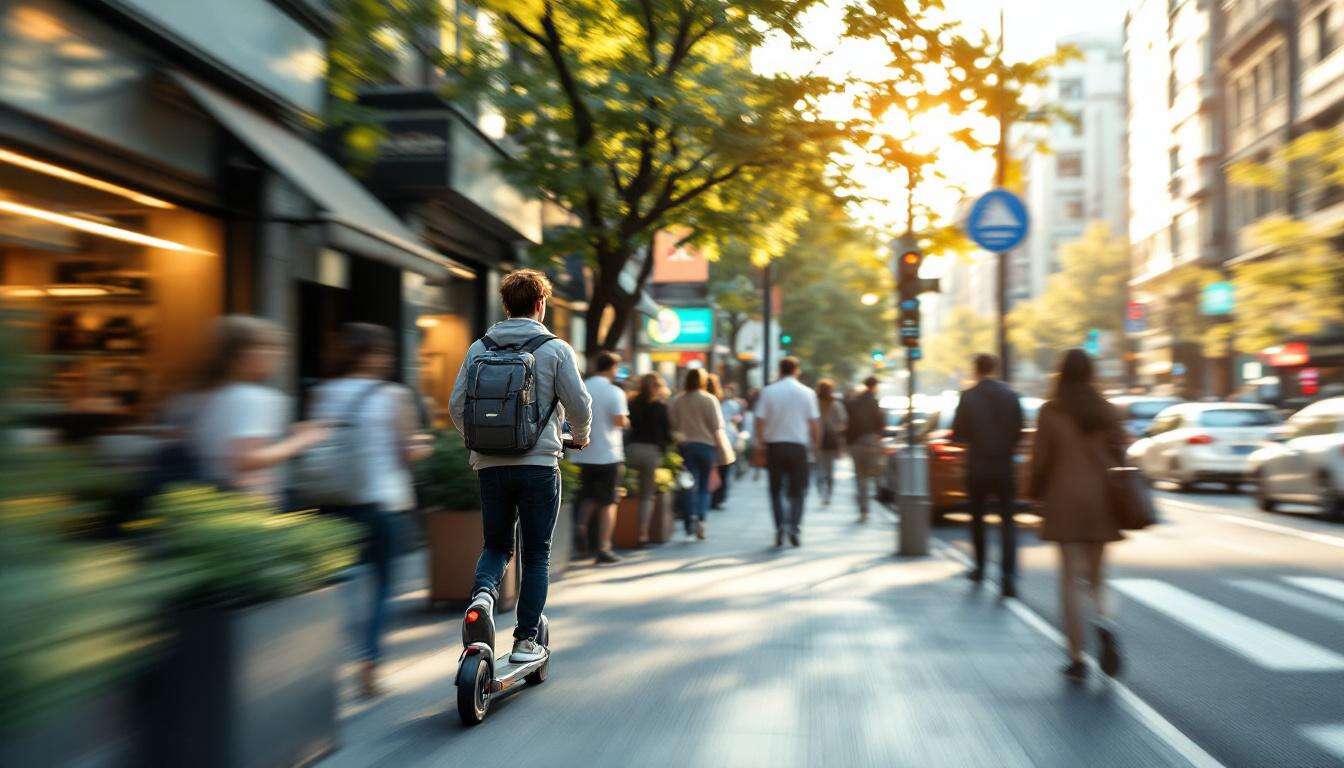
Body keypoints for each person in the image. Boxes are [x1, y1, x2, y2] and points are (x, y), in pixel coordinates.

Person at [450, 269, 592, 664]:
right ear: (540, 305)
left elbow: (456, 407)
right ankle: (526, 639)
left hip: (490, 466)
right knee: (537, 554)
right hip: (539, 465)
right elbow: (579, 404)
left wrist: (482, 440)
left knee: (496, 544)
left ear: (506, 305)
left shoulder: (479, 348)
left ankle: (482, 596)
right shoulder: (556, 349)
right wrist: (580, 435)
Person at [310, 323, 433, 698]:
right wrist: (425, 444)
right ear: (375, 356)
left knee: (340, 585)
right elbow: (408, 451)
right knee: (381, 588)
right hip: (384, 503)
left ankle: (325, 660)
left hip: (333, 503)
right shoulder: (393, 395)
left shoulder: (322, 393)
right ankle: (369, 663)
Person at [1029, 349, 1126, 683]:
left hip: (1064, 499)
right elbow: (1121, 453)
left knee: (1070, 580)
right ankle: (1105, 622)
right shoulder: (1107, 410)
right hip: (1101, 500)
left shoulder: (1051, 411)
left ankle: (1076, 657)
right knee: (1098, 578)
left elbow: (1040, 461)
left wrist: (1033, 494)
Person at [188, 315, 328, 503]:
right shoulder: (251, 397)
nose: (279, 355)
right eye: (267, 347)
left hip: (212, 501)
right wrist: (303, 440)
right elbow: (246, 459)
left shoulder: (208, 395)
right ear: (240, 355)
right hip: (246, 507)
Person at [950, 353, 1024, 598]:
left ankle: (980, 568)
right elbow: (1018, 431)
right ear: (995, 368)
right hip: (1004, 466)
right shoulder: (1010, 395)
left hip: (978, 466)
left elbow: (958, 432)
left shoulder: (969, 396)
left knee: (978, 519)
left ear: (976, 370)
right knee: (1008, 523)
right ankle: (1008, 577)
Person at [570, 351, 630, 564]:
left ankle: (580, 527)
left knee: (588, 496)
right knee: (607, 502)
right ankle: (604, 547)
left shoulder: (582, 386)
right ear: (612, 367)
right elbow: (620, 422)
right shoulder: (614, 392)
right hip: (608, 454)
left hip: (581, 454)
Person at [753, 357, 820, 547]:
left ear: (780, 370)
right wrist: (815, 444)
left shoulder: (768, 391)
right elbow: (814, 423)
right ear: (796, 370)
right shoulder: (807, 393)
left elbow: (760, 420)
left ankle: (780, 525)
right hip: (798, 447)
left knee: (776, 490)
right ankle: (794, 526)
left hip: (775, 447)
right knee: (798, 490)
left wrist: (760, 445)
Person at [669, 368, 728, 540]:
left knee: (687, 484)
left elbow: (672, 425)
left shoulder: (678, 400)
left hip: (685, 447)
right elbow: (717, 426)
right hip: (706, 447)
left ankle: (689, 522)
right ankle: (701, 518)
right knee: (704, 486)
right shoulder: (710, 399)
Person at [626, 373, 672, 545]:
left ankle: (620, 529)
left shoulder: (632, 404)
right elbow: (667, 434)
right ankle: (642, 534)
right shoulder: (660, 407)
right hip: (651, 451)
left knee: (624, 490)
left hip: (631, 449)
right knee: (646, 495)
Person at [844, 376, 885, 522]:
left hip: (856, 444)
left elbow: (847, 425)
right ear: (874, 386)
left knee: (860, 477)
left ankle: (863, 509)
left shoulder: (853, 402)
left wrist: (847, 444)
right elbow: (881, 424)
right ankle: (869, 502)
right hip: (871, 442)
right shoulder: (874, 402)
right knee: (872, 475)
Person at [814, 379, 848, 507]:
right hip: (832, 440)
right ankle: (828, 495)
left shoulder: (814, 403)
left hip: (817, 440)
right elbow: (844, 423)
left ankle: (822, 494)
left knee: (819, 469)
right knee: (829, 470)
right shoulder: (836, 404)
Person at [706, 373, 737, 509]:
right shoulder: (722, 401)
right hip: (721, 439)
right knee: (722, 470)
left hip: (706, 439)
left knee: (707, 471)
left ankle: (710, 499)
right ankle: (717, 499)